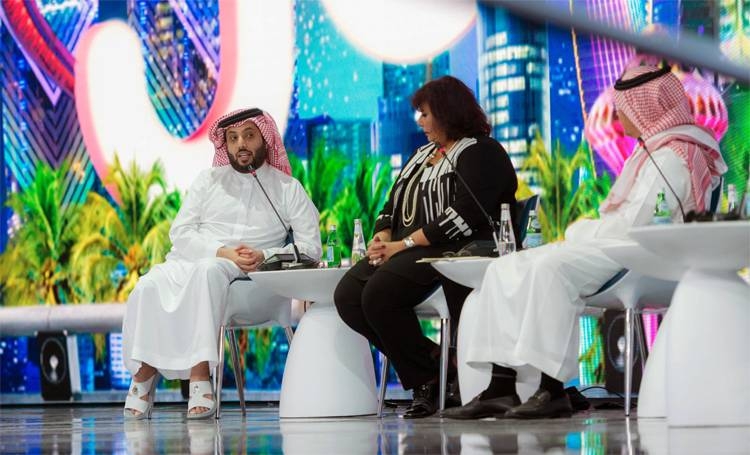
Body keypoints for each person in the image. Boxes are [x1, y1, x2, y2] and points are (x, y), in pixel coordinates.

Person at [444, 64, 727, 420]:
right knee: (505, 266)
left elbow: (637, 223)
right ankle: (501, 387)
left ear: (646, 106)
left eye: (624, 105)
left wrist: (582, 231)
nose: (620, 112)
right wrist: (588, 231)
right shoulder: (652, 149)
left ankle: (553, 389)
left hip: (643, 255)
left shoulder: (671, 154)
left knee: (550, 268)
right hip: (615, 244)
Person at [333, 76, 519, 419]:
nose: (419, 121)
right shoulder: (422, 155)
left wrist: (403, 244)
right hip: (405, 248)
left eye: (425, 113)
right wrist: (383, 235)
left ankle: (424, 382)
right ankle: (434, 365)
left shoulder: (481, 151)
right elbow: (392, 201)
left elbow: (465, 213)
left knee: (379, 293)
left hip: (453, 248)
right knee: (346, 295)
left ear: (448, 113)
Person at [121, 108, 322, 420]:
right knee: (149, 284)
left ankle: (200, 374)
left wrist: (265, 256)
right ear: (224, 145)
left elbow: (312, 248)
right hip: (196, 260)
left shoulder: (287, 189)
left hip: (253, 280)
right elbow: (181, 233)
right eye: (233, 138)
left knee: (208, 272)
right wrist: (223, 251)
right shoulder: (208, 180)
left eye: (249, 136)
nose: (241, 143)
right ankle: (144, 373)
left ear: (265, 140)